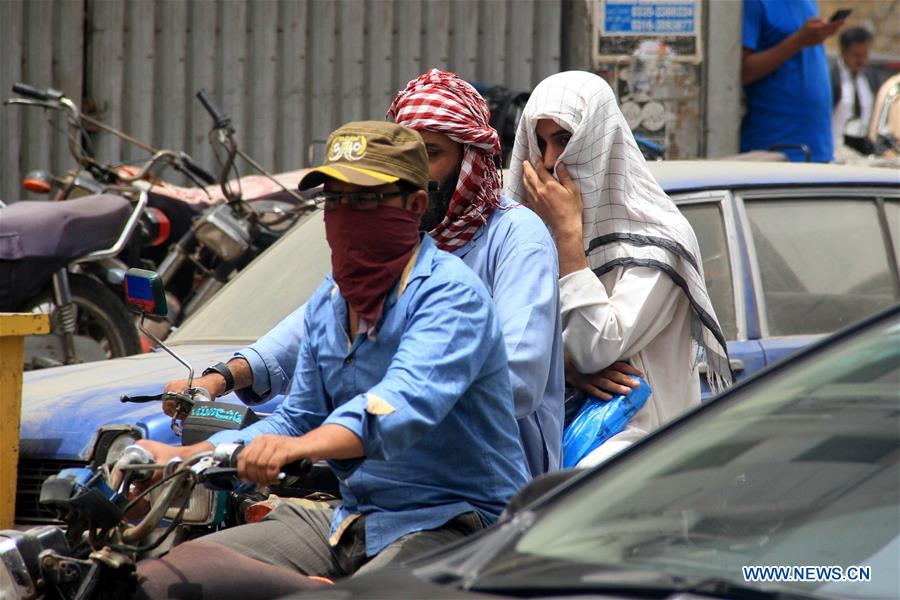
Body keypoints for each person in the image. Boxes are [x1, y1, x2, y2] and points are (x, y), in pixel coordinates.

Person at [135, 121, 528, 599]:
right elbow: (296, 416)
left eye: (365, 200)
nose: (346, 215)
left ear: (415, 205)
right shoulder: (331, 302)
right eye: (335, 200)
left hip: (461, 523)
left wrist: (297, 450)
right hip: (359, 518)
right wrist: (185, 456)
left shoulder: (449, 296)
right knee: (168, 575)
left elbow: (395, 407)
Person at [166, 69, 565, 477]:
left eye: (431, 153)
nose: (414, 172)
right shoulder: (372, 265)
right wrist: (221, 381)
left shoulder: (498, 251)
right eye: (337, 202)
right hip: (377, 471)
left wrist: (337, 423)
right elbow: (310, 339)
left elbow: (514, 379)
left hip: (478, 478)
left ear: (468, 160)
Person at [505, 71, 733, 465]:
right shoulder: (534, 232)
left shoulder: (660, 239)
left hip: (641, 463)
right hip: (550, 452)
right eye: (539, 143)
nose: (548, 161)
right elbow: (511, 339)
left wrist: (569, 238)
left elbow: (596, 348)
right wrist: (564, 370)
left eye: (563, 140)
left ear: (597, 140)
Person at [740, 0, 845, 162]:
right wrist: (799, 40)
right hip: (774, 148)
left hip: (818, 148)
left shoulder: (807, 3)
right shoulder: (755, 3)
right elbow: (742, 72)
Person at [831, 26, 876, 155]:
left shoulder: (870, 78)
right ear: (844, 52)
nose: (861, 60)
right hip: (836, 149)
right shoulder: (833, 78)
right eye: (856, 55)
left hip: (863, 150)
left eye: (865, 54)